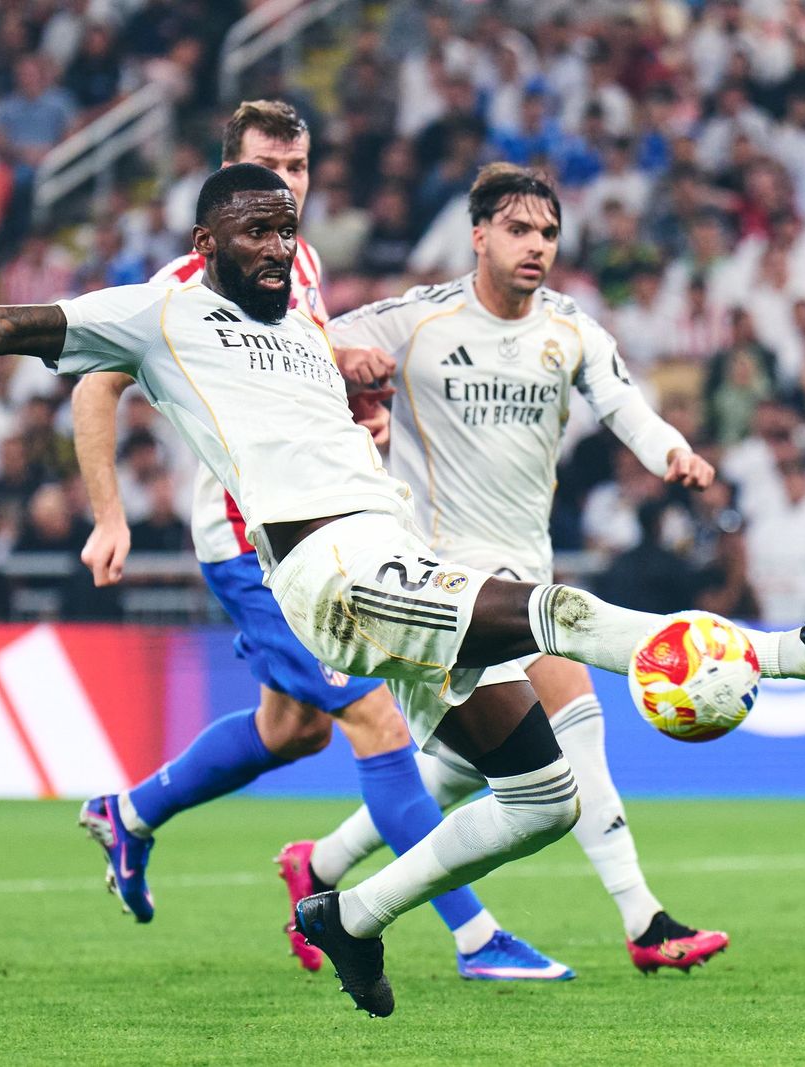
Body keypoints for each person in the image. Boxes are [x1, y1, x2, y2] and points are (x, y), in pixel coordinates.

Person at [0, 161, 805, 1018]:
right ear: (206, 237)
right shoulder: (161, 309)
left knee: (539, 795)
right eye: (254, 228)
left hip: (388, 557)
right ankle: (801, 656)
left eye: (286, 227)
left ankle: (348, 911)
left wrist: (363, 382)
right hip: (332, 569)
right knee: (546, 611)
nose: (277, 244)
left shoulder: (306, 319)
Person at [68, 101, 567, 983]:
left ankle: (129, 812)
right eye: (271, 169)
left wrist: (354, 398)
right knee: (375, 718)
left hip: (324, 530)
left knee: (291, 729)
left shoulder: (296, 258)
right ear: (229, 180)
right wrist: (109, 514)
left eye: (299, 171)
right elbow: (95, 385)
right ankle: (475, 935)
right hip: (252, 539)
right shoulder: (187, 281)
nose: (289, 186)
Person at [302, 163, 729, 973]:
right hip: (437, 578)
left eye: (549, 233)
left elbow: (622, 400)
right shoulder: (418, 320)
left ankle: (323, 865)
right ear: (479, 236)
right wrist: (348, 363)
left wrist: (670, 450)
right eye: (520, 230)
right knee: (578, 718)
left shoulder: (569, 329)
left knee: (471, 764)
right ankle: (645, 921)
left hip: (523, 566)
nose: (537, 246)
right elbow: (310, 341)